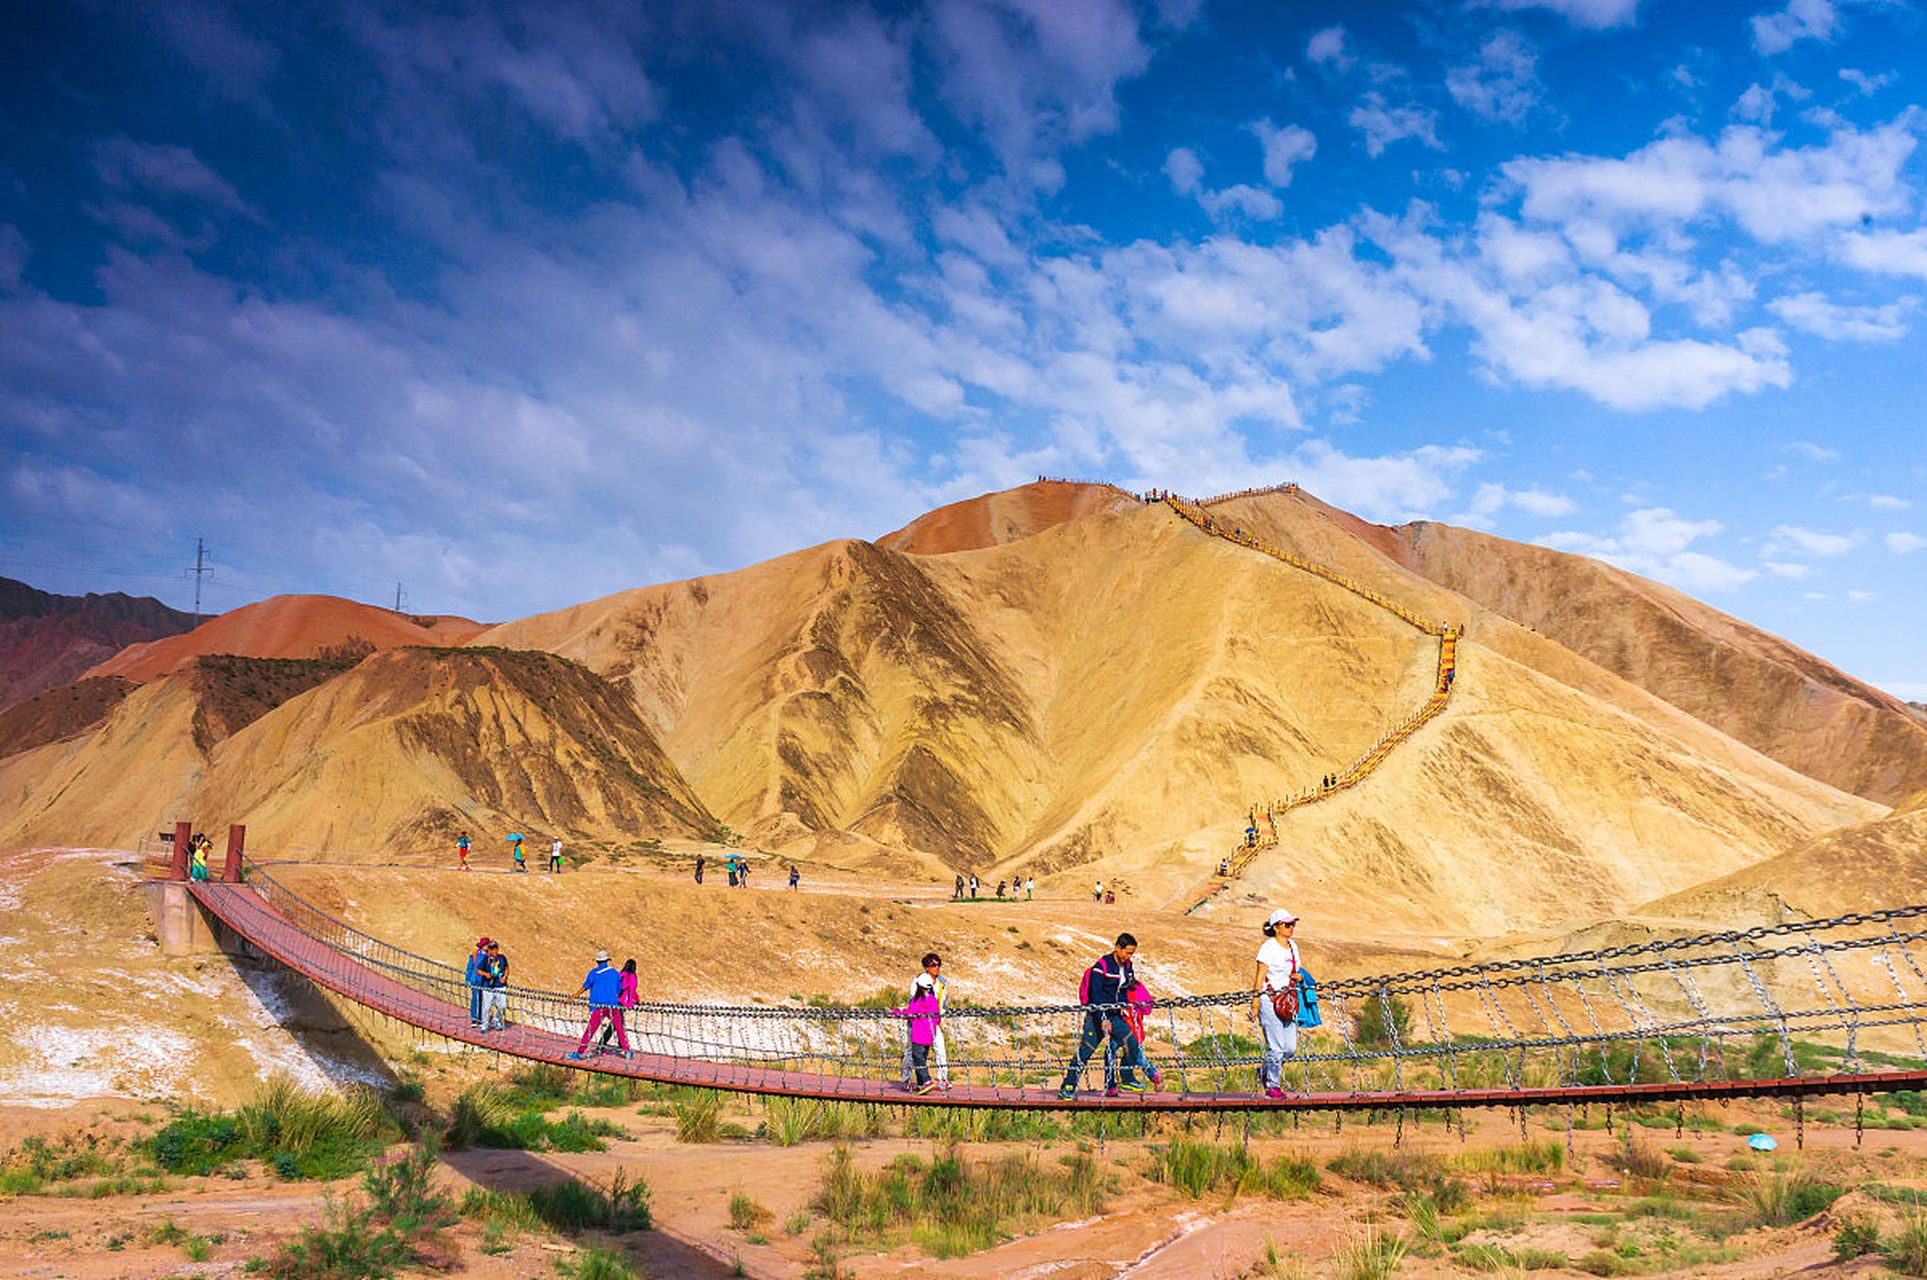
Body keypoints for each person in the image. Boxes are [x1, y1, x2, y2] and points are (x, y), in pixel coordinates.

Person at [1058, 933, 1143, 1099]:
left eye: (1132, 953)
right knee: (1085, 1052)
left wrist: (1125, 1008)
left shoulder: (1127, 967)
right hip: (1097, 1016)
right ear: (1118, 948)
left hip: (1116, 1016)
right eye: (1127, 952)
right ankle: (1068, 1086)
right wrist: (1102, 1018)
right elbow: (1095, 994)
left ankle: (1126, 1078)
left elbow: (1125, 990)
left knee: (1132, 1044)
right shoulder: (1102, 966)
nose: (1129, 956)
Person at [1250, 909, 1303, 1100]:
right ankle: (1272, 1085)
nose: (1291, 928)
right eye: (1287, 925)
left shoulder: (1293, 947)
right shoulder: (1268, 948)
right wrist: (1255, 1002)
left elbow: (1296, 971)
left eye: (1292, 924)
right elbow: (1260, 976)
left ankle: (1264, 1070)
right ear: (1276, 927)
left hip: (1287, 1001)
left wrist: (1297, 976)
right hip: (1268, 1000)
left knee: (1290, 1048)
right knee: (1276, 1048)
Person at [566, 949, 632, 1060]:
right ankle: (627, 1051)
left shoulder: (594, 973)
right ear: (607, 960)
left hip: (598, 1005)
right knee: (619, 1027)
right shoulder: (615, 973)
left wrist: (573, 997)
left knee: (590, 1030)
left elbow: (585, 986)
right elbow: (619, 988)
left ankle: (580, 1052)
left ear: (597, 961)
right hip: (613, 1005)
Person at [898, 953, 949, 1091]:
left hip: (933, 1021)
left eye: (939, 965)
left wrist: (939, 1018)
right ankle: (906, 1079)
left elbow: (941, 1002)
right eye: (933, 965)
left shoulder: (942, 983)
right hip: (918, 1022)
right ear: (927, 967)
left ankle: (943, 1078)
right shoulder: (918, 981)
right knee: (912, 1051)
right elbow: (914, 1002)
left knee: (940, 1048)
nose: (937, 968)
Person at [895, 979, 943, 1095]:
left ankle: (926, 1080)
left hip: (918, 1033)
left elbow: (910, 1013)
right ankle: (921, 1084)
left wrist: (896, 1012)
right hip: (929, 1034)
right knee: (922, 1057)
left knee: (917, 1058)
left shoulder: (917, 1000)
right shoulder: (933, 1000)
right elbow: (937, 1018)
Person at [1121, 978, 1161, 1087]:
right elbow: (1148, 1007)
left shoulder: (1118, 986)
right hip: (1133, 1026)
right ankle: (1128, 1079)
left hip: (1124, 1025)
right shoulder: (1137, 986)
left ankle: (1151, 1074)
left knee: (1131, 1054)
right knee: (1132, 1053)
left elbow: (1148, 1007)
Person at [598, 958, 639, 1053]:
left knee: (617, 1023)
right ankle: (604, 1044)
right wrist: (636, 999)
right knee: (615, 1024)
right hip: (622, 1002)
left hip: (613, 1001)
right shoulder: (632, 976)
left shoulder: (620, 975)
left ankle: (619, 1044)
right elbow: (632, 989)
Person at [480, 941, 509, 1032]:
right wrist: (485, 974)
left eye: (495, 949)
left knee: (503, 1005)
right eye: (492, 949)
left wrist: (504, 977)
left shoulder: (502, 958)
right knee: (487, 1006)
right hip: (488, 986)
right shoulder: (485, 959)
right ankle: (485, 1024)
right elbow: (478, 970)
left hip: (500, 985)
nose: (494, 951)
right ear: (489, 950)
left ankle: (496, 1020)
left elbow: (507, 968)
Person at [464, 936, 490, 1028]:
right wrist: (467, 979)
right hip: (475, 979)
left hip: (485, 981)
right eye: (486, 945)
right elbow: (470, 967)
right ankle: (474, 1018)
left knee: (484, 999)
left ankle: (482, 1018)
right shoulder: (474, 955)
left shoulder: (490, 956)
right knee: (475, 998)